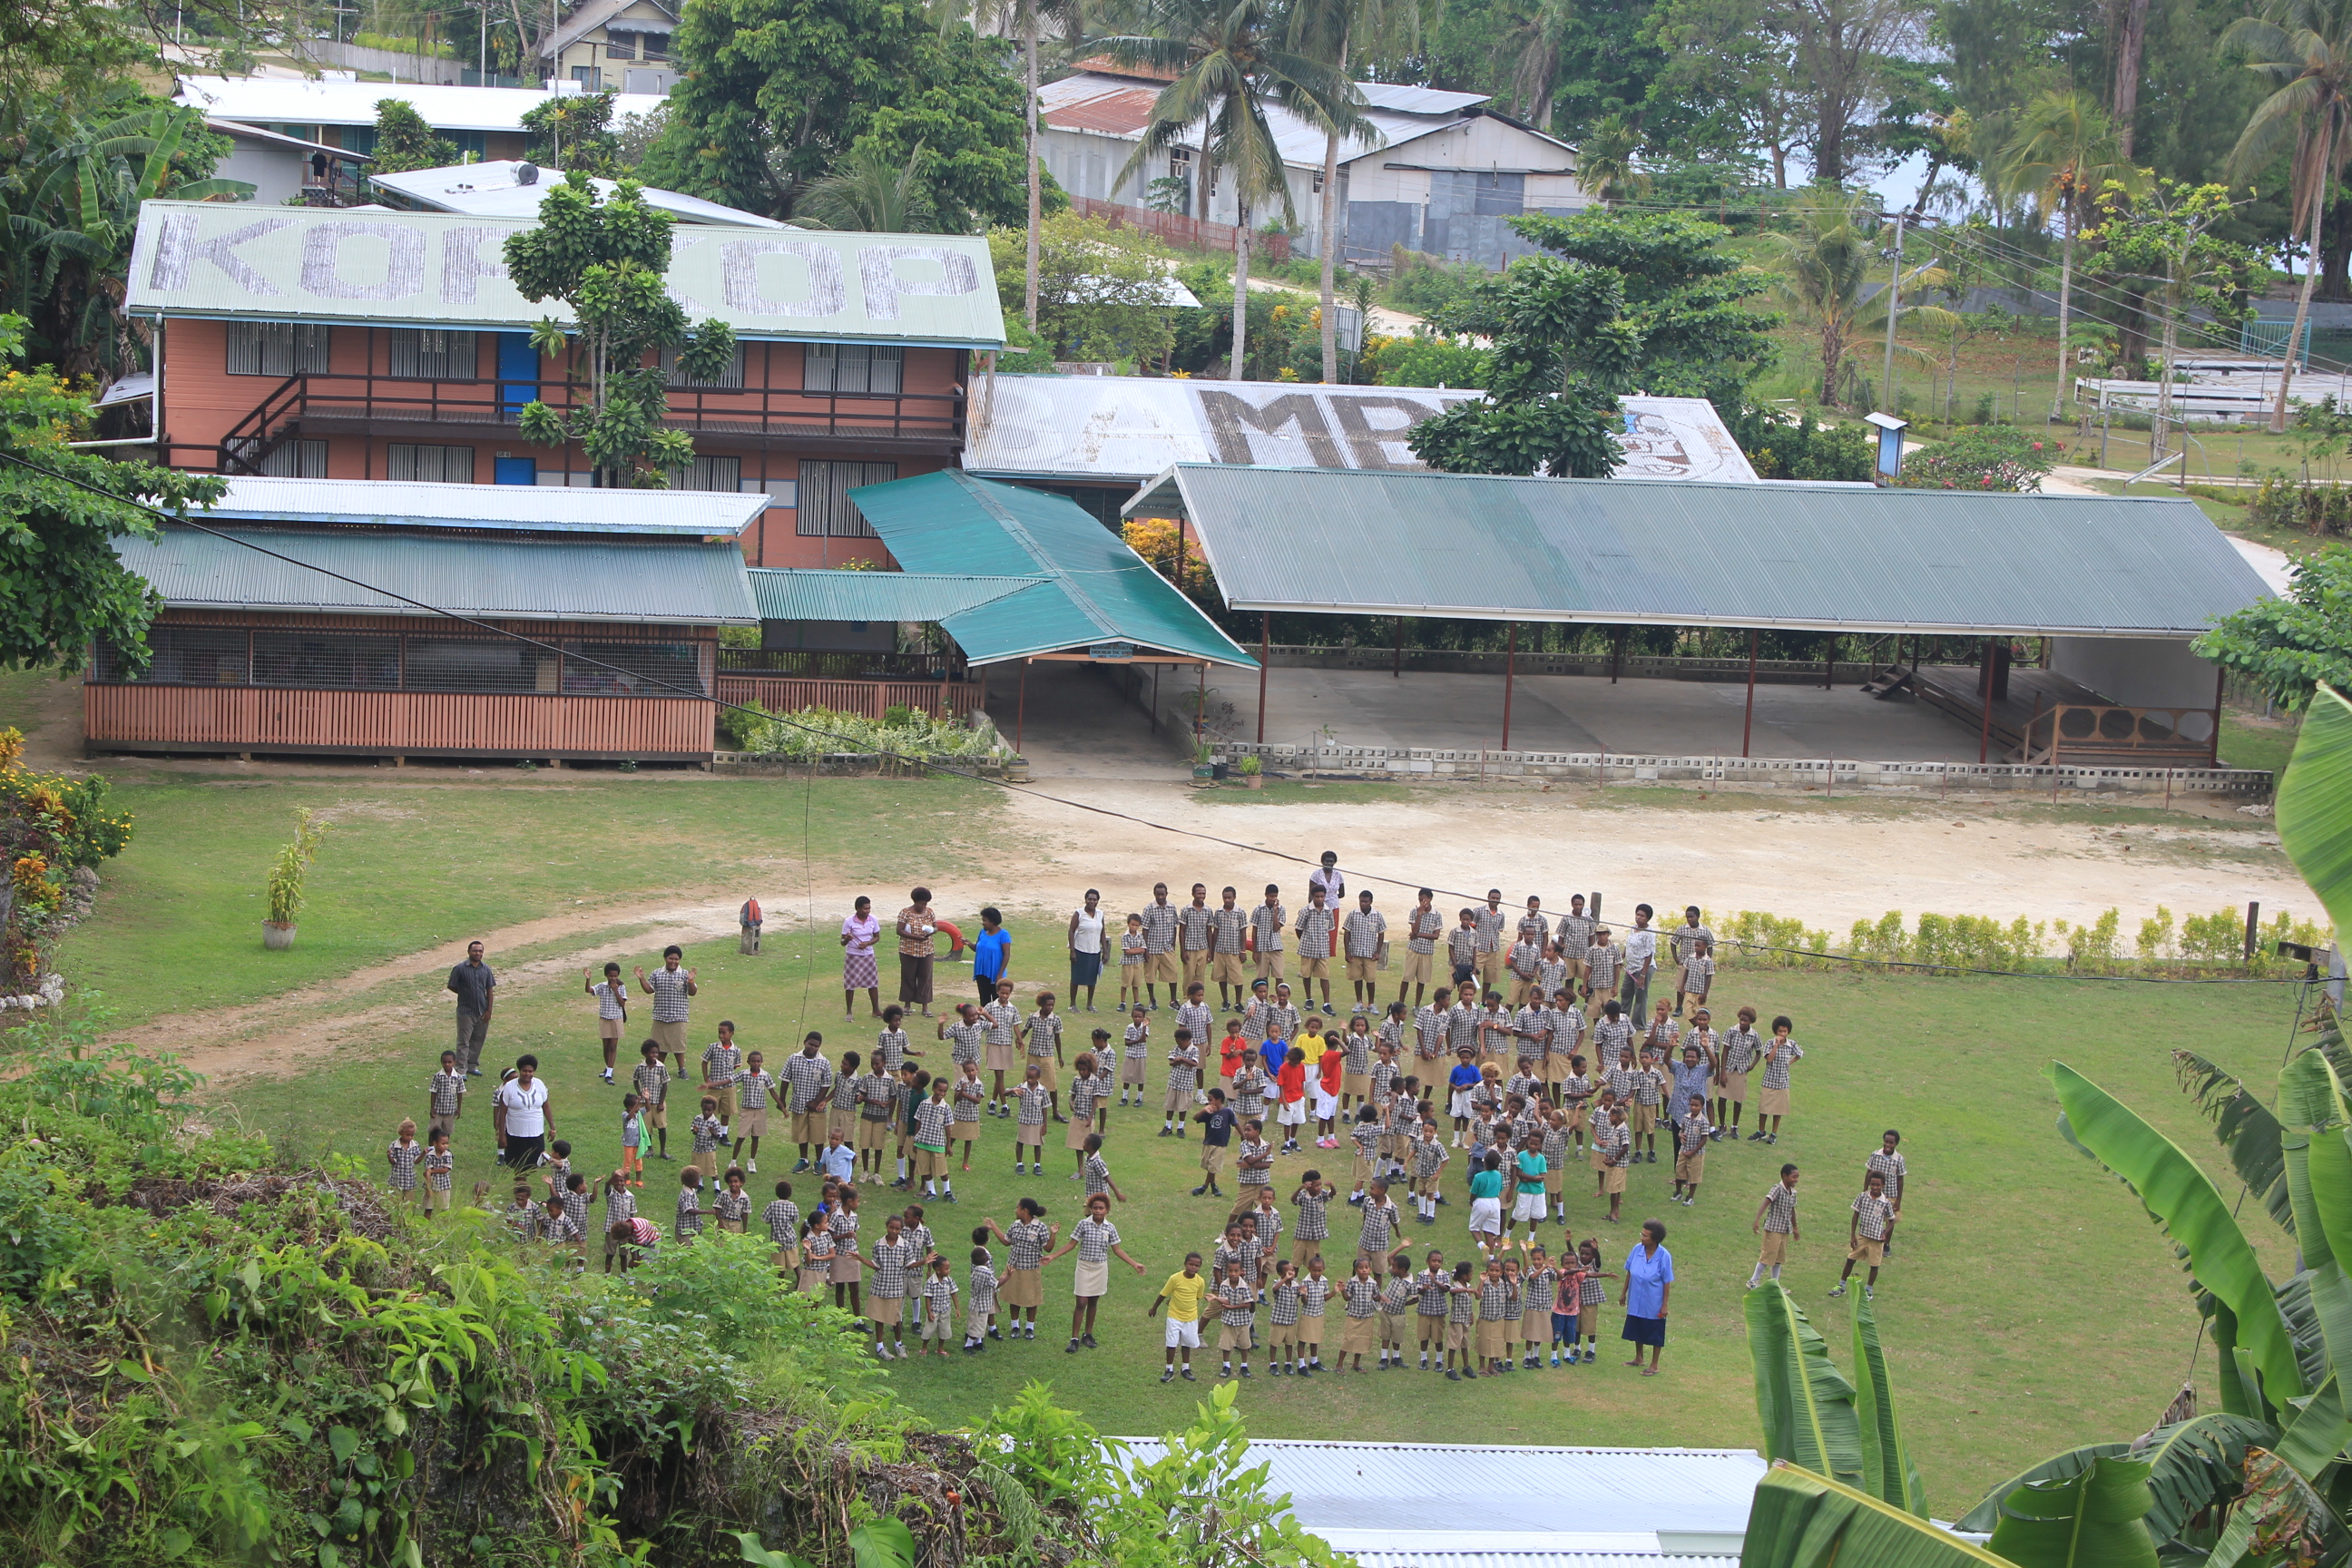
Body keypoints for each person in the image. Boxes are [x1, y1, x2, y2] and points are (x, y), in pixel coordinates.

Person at [1047, 1191, 1144, 1353]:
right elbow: (1071, 1244)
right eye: (1095, 1208)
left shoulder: (1110, 1227)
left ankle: (1088, 1334)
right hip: (1084, 1266)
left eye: (1101, 1208)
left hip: (1100, 1267)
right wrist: (1052, 1256)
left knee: (1093, 1302)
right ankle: (1074, 1338)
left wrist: (1134, 1264)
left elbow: (1117, 1249)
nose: (1098, 1211)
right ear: (1091, 1209)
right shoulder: (1083, 1224)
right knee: (1081, 1302)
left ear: (1107, 1210)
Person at [986, 1200, 1056, 1339]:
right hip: (1013, 1267)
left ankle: (1030, 1328)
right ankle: (1015, 1326)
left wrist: (1053, 1234)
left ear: (1025, 1210)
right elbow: (1007, 1241)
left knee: (1032, 1299)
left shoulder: (1039, 1227)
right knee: (1015, 1297)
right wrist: (993, 1227)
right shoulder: (1016, 1225)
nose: (1015, 1210)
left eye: (1017, 1208)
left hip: (1030, 1269)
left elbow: (1048, 1248)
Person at [1831, 1171, 1898, 1299]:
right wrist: (1853, 1235)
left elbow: (1891, 1220)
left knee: (1874, 1265)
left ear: (1883, 1185)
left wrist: (1885, 1234)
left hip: (1876, 1240)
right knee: (1850, 1259)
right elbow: (1855, 1215)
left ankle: (1869, 1290)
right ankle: (1841, 1285)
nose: (1875, 1187)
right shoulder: (1862, 1197)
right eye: (1872, 1184)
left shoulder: (1885, 1203)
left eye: (1878, 1185)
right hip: (1862, 1236)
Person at [1620, 1219, 1673, 1376]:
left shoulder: (1664, 1256)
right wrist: (1624, 1293)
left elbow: (1666, 1281)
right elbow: (1630, 1271)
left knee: (1655, 1330)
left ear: (1654, 1239)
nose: (1641, 1238)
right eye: (1641, 1234)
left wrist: (1664, 1305)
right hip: (1636, 1296)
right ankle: (1639, 1357)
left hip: (1653, 1300)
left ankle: (1654, 1364)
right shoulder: (1637, 1249)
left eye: (1645, 1236)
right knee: (1637, 1325)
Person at [1149, 1251, 1209, 1382]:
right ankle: (1169, 1369)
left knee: (1186, 1342)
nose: (1193, 1267)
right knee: (1171, 1342)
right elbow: (1163, 1294)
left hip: (1191, 1317)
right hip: (1174, 1315)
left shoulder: (1200, 1282)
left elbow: (1197, 1297)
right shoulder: (1175, 1278)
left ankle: (1185, 1368)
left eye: (1197, 1265)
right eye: (1191, 1264)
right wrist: (1154, 1308)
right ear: (1185, 1264)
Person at [867, 1213, 919, 1359]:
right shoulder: (879, 1244)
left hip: (896, 1287)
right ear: (886, 1226)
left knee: (897, 1317)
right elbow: (876, 1265)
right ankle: (880, 1346)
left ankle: (898, 1344)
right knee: (879, 1317)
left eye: (897, 1229)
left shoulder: (905, 1246)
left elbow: (910, 1264)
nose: (894, 1231)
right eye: (891, 1228)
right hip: (880, 1285)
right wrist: (860, 1259)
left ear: (901, 1229)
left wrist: (924, 1261)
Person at [784, 1032, 835, 1171]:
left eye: (816, 1046)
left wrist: (816, 1101)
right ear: (804, 1042)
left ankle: (819, 1161)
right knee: (802, 1135)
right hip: (799, 1104)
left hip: (817, 1107)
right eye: (810, 1044)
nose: (812, 1048)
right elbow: (785, 1079)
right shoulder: (793, 1059)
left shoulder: (824, 1062)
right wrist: (782, 1100)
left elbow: (826, 1085)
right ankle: (804, 1160)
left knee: (818, 1136)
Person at [1748, 1163, 1802, 1289]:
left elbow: (1791, 1210)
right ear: (1784, 1176)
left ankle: (1774, 1284)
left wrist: (1795, 1228)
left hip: (1784, 1229)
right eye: (1794, 1177)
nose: (1796, 1180)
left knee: (1779, 1258)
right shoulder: (1777, 1188)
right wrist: (1757, 1220)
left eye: (1798, 1177)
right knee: (1768, 1255)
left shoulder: (1792, 1192)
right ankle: (1753, 1280)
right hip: (1773, 1228)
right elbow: (1766, 1202)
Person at [494, 1054, 553, 1170]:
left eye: (530, 1071)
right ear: (520, 1070)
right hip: (515, 1133)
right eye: (524, 1071)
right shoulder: (509, 1087)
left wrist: (552, 1128)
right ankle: (520, 1183)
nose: (527, 1074)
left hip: (536, 1132)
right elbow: (503, 1112)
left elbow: (546, 1107)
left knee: (533, 1163)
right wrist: (502, 1134)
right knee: (517, 1165)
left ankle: (523, 1183)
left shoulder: (539, 1084)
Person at [446, 940, 495, 1076]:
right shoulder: (460, 968)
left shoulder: (486, 969)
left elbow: (490, 989)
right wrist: (465, 993)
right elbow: (451, 985)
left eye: (480, 951)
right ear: (469, 952)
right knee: (464, 1041)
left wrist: (489, 1010)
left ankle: (472, 1066)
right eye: (475, 950)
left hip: (482, 1011)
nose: (478, 953)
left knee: (478, 1039)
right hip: (465, 1011)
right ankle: (461, 1069)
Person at [1755, 1015, 1803, 1143]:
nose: (1782, 1034)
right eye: (1780, 1031)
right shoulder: (1770, 1043)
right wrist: (1776, 1045)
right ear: (1775, 1031)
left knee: (1778, 1110)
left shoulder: (1791, 1044)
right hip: (1769, 1081)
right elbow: (1769, 1059)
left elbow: (1800, 1054)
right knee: (1764, 1108)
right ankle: (1761, 1131)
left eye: (1785, 1031)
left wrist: (1789, 1063)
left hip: (1783, 1082)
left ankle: (1773, 1134)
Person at [1717, 1006, 1761, 1139]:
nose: (1742, 1023)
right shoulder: (1731, 1031)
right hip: (1729, 1068)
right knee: (1722, 1098)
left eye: (1745, 1020)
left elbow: (1759, 1052)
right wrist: (1722, 1072)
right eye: (1741, 1020)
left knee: (1738, 1099)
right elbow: (1725, 1051)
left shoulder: (1754, 1035)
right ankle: (1722, 1125)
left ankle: (1734, 1127)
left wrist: (1752, 1065)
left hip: (1741, 1070)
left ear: (1751, 1021)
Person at [1341, 889, 1387, 1017]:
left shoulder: (1377, 915)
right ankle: (1359, 1002)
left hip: (1370, 953)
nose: (1363, 904)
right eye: (1361, 901)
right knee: (1357, 978)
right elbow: (1347, 932)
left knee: (1370, 979)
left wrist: (1378, 952)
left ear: (1371, 902)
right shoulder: (1353, 914)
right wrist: (1347, 952)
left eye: (1366, 902)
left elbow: (1381, 933)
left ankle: (1371, 1004)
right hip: (1356, 952)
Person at [583, 962, 630, 1083]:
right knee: (606, 1046)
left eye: (615, 976)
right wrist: (588, 979)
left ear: (618, 975)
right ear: (606, 975)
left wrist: (616, 991)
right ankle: (608, 1067)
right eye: (610, 976)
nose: (613, 978)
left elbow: (622, 1003)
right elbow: (589, 990)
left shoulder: (621, 987)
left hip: (616, 1019)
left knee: (613, 1046)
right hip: (604, 1018)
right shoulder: (602, 986)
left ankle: (609, 1072)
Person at [897, 888, 941, 1016]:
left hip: (926, 950)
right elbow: (899, 930)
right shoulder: (905, 913)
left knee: (925, 977)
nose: (924, 906)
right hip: (908, 950)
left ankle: (925, 1006)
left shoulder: (930, 912)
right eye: (921, 903)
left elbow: (936, 927)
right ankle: (907, 1004)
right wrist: (916, 937)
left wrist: (932, 931)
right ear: (915, 902)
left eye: (925, 903)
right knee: (908, 976)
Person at [1397, 888, 1444, 1009]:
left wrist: (1417, 935)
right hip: (1413, 949)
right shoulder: (1415, 911)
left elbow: (1435, 935)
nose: (1422, 902)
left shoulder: (1437, 915)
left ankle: (1416, 1006)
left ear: (1430, 899)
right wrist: (1419, 914)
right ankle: (1400, 1003)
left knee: (1422, 981)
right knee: (1406, 977)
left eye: (1424, 899)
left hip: (1427, 951)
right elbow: (1414, 930)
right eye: (1420, 900)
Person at [1294, 885, 1337, 1017]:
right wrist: (1306, 941)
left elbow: (1330, 929)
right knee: (1306, 975)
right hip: (1308, 949)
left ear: (1325, 896)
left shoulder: (1328, 911)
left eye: (1322, 896)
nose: (1319, 899)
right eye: (1317, 896)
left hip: (1323, 949)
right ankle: (1309, 999)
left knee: (1324, 975)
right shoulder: (1306, 911)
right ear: (1313, 897)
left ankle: (1326, 1003)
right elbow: (1298, 929)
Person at [841, 896, 883, 1019]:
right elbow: (842, 942)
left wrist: (867, 944)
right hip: (853, 956)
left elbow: (877, 937)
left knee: (873, 983)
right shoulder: (849, 921)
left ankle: (876, 1010)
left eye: (869, 908)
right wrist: (847, 939)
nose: (867, 911)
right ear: (858, 909)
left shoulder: (873, 919)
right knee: (850, 984)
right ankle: (849, 1012)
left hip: (868, 955)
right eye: (865, 909)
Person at [1140, 883, 1181, 1010]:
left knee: (1173, 973)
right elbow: (1145, 929)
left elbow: (1175, 926)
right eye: (1158, 894)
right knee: (1150, 975)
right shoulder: (1149, 909)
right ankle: (1152, 999)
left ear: (1166, 894)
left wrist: (1173, 943)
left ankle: (1173, 1000)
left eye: (1162, 894)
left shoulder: (1172, 907)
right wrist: (1145, 948)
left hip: (1167, 947)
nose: (1160, 897)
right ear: (1154, 894)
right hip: (1152, 948)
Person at [1867, 1130, 1907, 1253]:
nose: (1888, 1145)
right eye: (1886, 1142)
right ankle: (1871, 1243)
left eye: (1891, 1143)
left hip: (1890, 1195)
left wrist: (1898, 1200)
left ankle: (1886, 1244)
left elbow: (1900, 1180)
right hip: (1874, 1194)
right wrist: (1865, 1190)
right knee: (1873, 1219)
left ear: (1896, 1144)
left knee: (1890, 1220)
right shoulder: (1875, 1155)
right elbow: (1868, 1173)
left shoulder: (1899, 1160)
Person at [1210, 886, 1250, 1011]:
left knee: (1237, 978)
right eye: (1225, 898)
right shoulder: (1219, 912)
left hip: (1235, 951)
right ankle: (1225, 1001)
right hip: (1220, 950)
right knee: (1221, 977)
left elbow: (1243, 932)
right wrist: (1212, 951)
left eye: (1229, 897)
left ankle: (1238, 1003)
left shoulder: (1240, 912)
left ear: (1234, 897)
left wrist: (1243, 950)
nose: (1227, 900)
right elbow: (1215, 932)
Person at [1192, 1086, 1235, 1198]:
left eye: (1211, 1099)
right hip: (1209, 1142)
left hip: (1221, 1143)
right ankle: (1214, 1186)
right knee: (1209, 1166)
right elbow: (1195, 1118)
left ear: (1219, 1100)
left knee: (1213, 1166)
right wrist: (1203, 1110)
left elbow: (1236, 1124)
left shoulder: (1227, 1112)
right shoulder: (1209, 1112)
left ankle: (1204, 1187)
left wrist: (1243, 1138)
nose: (1209, 1102)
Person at [1067, 889, 1106, 1012]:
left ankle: (1090, 1004)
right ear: (1085, 899)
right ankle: (1073, 1004)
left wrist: (1105, 951)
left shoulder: (1100, 914)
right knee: (1076, 978)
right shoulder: (1079, 914)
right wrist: (1072, 950)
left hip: (1095, 951)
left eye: (1094, 899)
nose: (1092, 902)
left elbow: (1102, 932)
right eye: (1090, 899)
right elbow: (1071, 931)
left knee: (1092, 979)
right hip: (1080, 950)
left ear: (1098, 901)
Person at [632, 1040, 671, 1161]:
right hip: (645, 1103)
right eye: (651, 1053)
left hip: (658, 1102)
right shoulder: (640, 1067)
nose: (654, 1055)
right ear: (645, 1053)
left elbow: (665, 1084)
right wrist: (640, 1094)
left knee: (661, 1126)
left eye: (656, 1053)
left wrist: (661, 1102)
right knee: (647, 1127)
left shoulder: (661, 1067)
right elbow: (635, 1080)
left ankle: (663, 1150)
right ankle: (650, 1149)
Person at [1671, 1094, 1712, 1206]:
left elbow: (1704, 1140)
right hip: (1684, 1150)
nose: (1693, 1107)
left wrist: (1693, 1152)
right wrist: (1680, 1135)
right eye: (1692, 1105)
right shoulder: (1686, 1117)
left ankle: (1690, 1196)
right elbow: (1681, 1130)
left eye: (1696, 1105)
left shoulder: (1704, 1121)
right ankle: (1678, 1192)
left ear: (1702, 1106)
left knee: (1694, 1175)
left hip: (1696, 1153)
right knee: (1679, 1171)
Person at [1179, 882, 1215, 999]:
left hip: (1203, 948)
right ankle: (1187, 998)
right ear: (1193, 894)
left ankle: (1199, 998)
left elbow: (1209, 931)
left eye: (1203, 893)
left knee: (1200, 975)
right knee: (1189, 975)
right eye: (1199, 893)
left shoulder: (1208, 910)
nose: (1201, 896)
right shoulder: (1186, 910)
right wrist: (1183, 951)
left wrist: (1210, 950)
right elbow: (1182, 931)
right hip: (1190, 948)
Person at [1012, 1063, 1050, 1177]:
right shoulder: (1022, 1088)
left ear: (1038, 1077)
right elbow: (1005, 1093)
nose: (1029, 1080)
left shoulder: (1042, 1090)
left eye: (1032, 1078)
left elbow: (1045, 1107)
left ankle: (1037, 1165)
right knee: (1020, 1142)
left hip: (1037, 1121)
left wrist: (1044, 1124)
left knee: (1037, 1144)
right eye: (1027, 1077)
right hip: (1024, 1120)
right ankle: (1019, 1163)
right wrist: (1013, 1090)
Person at [1621, 905, 1658, 1019]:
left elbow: (1649, 954)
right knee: (1625, 992)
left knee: (1640, 996)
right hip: (1631, 967)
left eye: (1642, 916)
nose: (1639, 917)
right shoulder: (1633, 928)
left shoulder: (1649, 933)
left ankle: (1638, 1023)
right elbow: (1629, 946)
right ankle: (1622, 1018)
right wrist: (1621, 958)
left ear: (1647, 918)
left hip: (1643, 968)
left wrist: (1643, 974)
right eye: (1637, 914)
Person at [970, 906, 1011, 1007]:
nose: (982, 922)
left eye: (985, 920)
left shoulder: (1003, 934)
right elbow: (977, 949)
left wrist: (1000, 974)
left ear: (992, 921)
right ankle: (985, 1021)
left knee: (997, 1001)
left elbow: (1006, 954)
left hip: (995, 972)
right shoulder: (982, 932)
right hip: (981, 972)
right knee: (984, 1001)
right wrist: (968, 943)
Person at [964, 1246, 999, 1354]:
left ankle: (978, 1342)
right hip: (981, 1305)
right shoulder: (986, 1272)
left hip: (977, 1304)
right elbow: (996, 1284)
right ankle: (968, 1345)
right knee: (977, 1325)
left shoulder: (976, 1270)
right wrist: (1007, 1276)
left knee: (980, 1325)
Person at [1250, 885, 1287, 985]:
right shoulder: (1258, 910)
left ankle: (1280, 999)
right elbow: (1254, 931)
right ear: (1266, 895)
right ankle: (1263, 1000)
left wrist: (1275, 911)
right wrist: (1255, 951)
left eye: (1275, 896)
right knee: (1262, 978)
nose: (1273, 899)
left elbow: (1276, 928)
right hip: (1262, 948)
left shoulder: (1281, 909)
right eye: (1271, 896)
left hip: (1276, 947)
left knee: (1279, 976)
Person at [426, 1050, 466, 1142]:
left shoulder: (458, 1077)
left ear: (454, 1062)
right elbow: (433, 1092)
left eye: (449, 1062)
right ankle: (431, 1149)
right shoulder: (438, 1076)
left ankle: (444, 1149)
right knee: (433, 1131)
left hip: (450, 1110)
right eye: (444, 1062)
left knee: (447, 1131)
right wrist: (432, 1108)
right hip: (438, 1110)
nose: (447, 1064)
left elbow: (460, 1093)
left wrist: (459, 1108)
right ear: (441, 1062)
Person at [387, 1119, 423, 1205]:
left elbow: (416, 1161)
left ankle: (407, 1218)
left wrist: (424, 1154)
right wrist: (389, 1155)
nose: (410, 1137)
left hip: (409, 1180)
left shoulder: (415, 1145)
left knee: (409, 1205)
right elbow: (393, 1162)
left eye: (412, 1135)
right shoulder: (394, 1145)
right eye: (407, 1135)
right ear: (401, 1133)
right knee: (396, 1203)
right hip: (397, 1179)